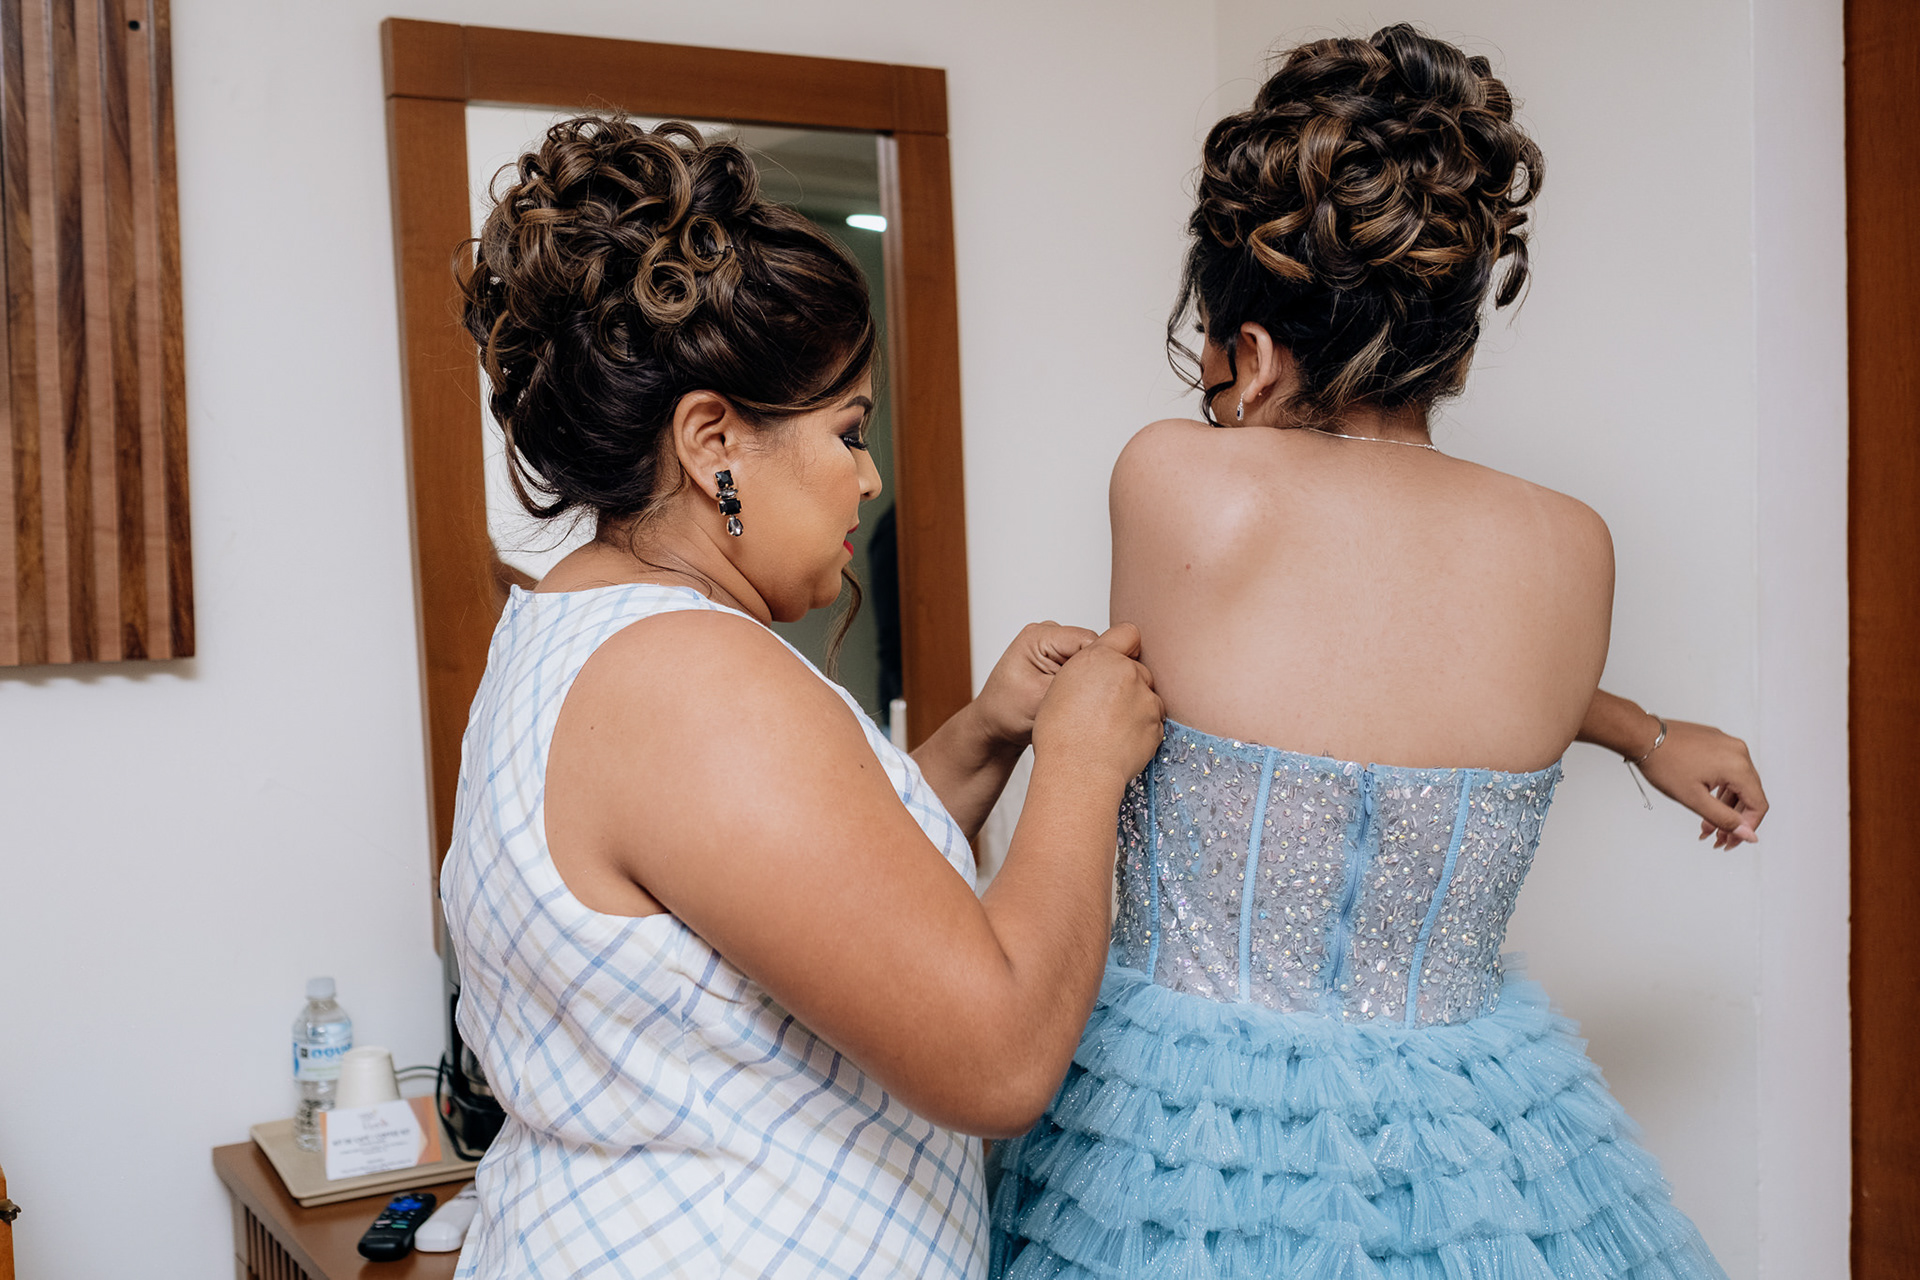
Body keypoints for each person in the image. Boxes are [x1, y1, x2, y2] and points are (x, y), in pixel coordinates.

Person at [986, 26, 1762, 1279]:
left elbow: (1305, 645)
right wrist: (1644, 731)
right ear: (1452, 335)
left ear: (1251, 348)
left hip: (1183, 1137)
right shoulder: (1572, 546)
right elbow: (1404, 651)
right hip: (1478, 1140)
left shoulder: (1181, 482)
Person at [438, 116, 1164, 1279]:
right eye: (849, 430)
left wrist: (986, 737)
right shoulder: (687, 678)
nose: (869, 476)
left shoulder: (580, 625)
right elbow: (997, 1056)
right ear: (713, 441)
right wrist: (1083, 765)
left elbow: (804, 897)